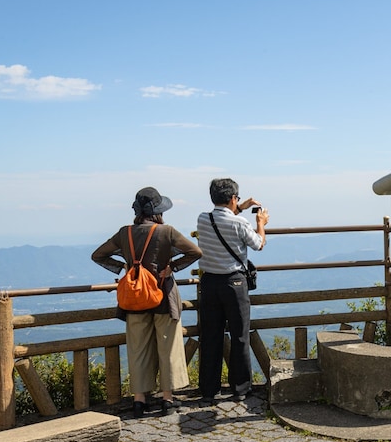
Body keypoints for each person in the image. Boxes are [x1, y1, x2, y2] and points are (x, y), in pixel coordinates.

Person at [92, 187, 202, 418]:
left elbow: (98, 255)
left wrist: (124, 267)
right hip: (163, 297)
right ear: (158, 211)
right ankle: (167, 399)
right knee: (167, 346)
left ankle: (139, 400)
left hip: (134, 300)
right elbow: (195, 252)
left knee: (138, 348)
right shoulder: (166, 232)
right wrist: (172, 267)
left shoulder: (125, 233)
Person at [195, 178, 268, 404]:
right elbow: (259, 244)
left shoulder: (202, 219)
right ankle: (241, 389)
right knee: (239, 335)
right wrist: (261, 222)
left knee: (210, 336)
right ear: (233, 198)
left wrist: (240, 207)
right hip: (234, 283)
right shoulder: (241, 223)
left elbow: (224, 216)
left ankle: (209, 390)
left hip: (208, 284)